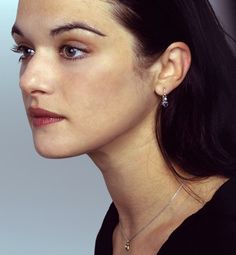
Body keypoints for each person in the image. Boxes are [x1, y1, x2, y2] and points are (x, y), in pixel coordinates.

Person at [11, 0, 236, 254]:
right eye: (25, 50)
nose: (29, 80)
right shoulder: (119, 230)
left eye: (71, 50)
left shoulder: (225, 236)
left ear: (168, 69)